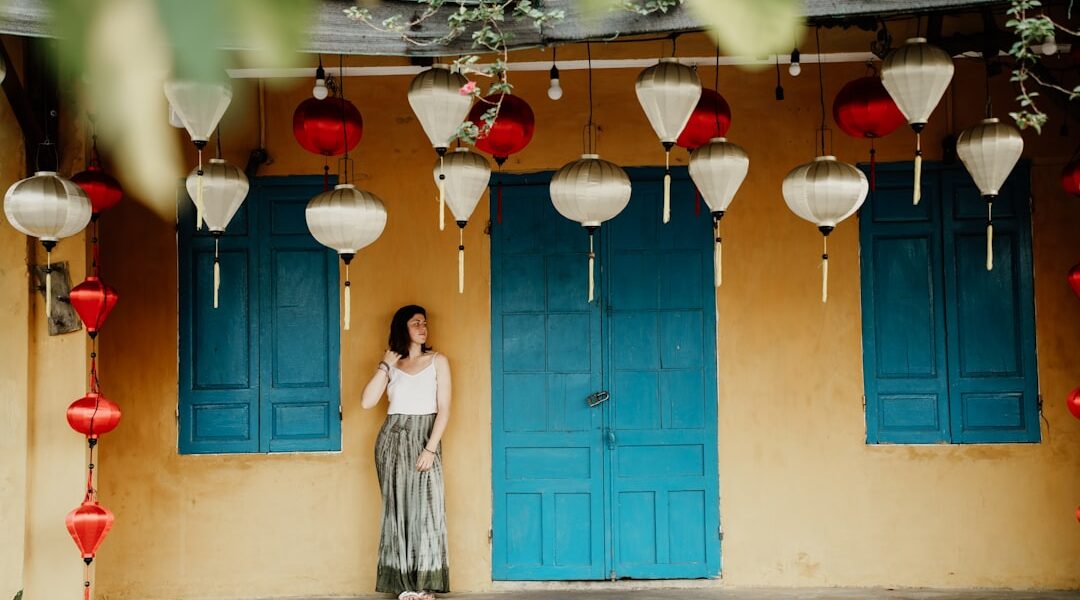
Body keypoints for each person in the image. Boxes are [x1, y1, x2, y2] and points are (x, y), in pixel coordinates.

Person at [361, 305, 451, 600]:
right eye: (416, 323)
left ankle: (425, 584)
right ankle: (403, 585)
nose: (423, 327)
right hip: (393, 440)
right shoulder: (394, 366)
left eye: (424, 322)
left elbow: (445, 409)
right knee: (397, 512)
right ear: (403, 328)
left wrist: (430, 448)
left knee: (427, 510)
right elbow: (367, 402)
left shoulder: (438, 361)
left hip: (425, 438)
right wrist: (384, 365)